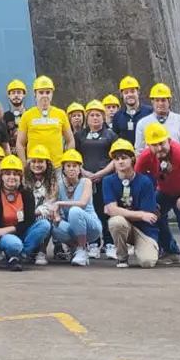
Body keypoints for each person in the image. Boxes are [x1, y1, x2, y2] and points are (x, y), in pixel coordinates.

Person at [135, 122, 180, 268]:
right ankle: (171, 251)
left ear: (169, 140)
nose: (159, 148)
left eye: (161, 143)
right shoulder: (145, 157)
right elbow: (138, 181)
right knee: (154, 215)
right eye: (154, 145)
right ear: (148, 145)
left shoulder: (178, 152)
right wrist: (150, 202)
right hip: (165, 191)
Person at [0, 155, 52, 271]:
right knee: (15, 244)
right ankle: (15, 253)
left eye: (16, 174)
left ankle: (17, 256)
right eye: (8, 173)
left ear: (21, 177)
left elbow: (29, 220)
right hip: (3, 236)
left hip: (20, 231)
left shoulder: (26, 193)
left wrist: (8, 229)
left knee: (44, 224)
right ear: (1, 176)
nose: (12, 177)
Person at [103, 139, 159, 268]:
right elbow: (112, 211)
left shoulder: (145, 181)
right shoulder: (108, 181)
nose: (120, 161)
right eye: (116, 159)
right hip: (123, 226)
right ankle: (122, 257)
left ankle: (149, 247)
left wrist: (116, 210)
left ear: (132, 159)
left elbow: (148, 215)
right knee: (116, 221)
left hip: (144, 231)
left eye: (124, 158)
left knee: (147, 262)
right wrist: (140, 215)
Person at [76, 99, 119, 259]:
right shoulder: (80, 135)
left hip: (105, 179)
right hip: (85, 180)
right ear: (87, 118)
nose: (95, 118)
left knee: (106, 210)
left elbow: (116, 158)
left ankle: (109, 244)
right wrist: (84, 172)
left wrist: (101, 173)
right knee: (88, 210)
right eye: (92, 115)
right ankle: (93, 243)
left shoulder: (110, 135)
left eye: (98, 115)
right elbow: (74, 157)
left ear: (103, 117)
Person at [51, 150, 101, 266]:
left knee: (74, 210)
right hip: (73, 226)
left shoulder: (86, 182)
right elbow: (53, 204)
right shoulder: (59, 184)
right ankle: (75, 248)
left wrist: (60, 203)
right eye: (68, 166)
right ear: (63, 169)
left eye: (75, 166)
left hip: (91, 226)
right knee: (53, 226)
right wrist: (56, 215)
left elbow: (83, 203)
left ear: (80, 169)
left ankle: (82, 249)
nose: (72, 169)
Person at [16, 76, 74, 165]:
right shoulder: (27, 115)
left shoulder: (61, 114)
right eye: (41, 92)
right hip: (35, 166)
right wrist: (24, 164)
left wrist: (67, 161)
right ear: (35, 94)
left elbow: (70, 140)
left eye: (48, 92)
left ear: (52, 94)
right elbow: (20, 143)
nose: (44, 95)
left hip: (57, 166)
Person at [24, 145, 59, 265]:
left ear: (47, 164)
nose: (37, 165)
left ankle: (41, 252)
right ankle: (25, 251)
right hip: (23, 216)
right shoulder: (23, 180)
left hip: (40, 216)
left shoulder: (53, 183)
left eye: (40, 161)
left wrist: (34, 212)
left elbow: (50, 205)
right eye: (34, 161)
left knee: (46, 220)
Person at [134, 83, 180, 155]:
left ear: (169, 101)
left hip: (176, 162)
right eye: (157, 100)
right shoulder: (142, 124)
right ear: (152, 101)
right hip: (152, 164)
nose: (160, 103)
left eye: (163, 100)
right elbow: (139, 152)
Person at [112, 76, 153, 146]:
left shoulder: (150, 112)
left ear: (138, 92)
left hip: (147, 154)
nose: (129, 95)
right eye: (126, 92)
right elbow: (116, 140)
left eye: (132, 91)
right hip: (126, 155)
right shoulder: (117, 116)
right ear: (122, 95)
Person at [3, 79, 28, 145]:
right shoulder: (3, 117)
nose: (16, 95)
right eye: (13, 93)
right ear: (8, 96)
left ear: (24, 95)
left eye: (19, 92)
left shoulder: (30, 115)